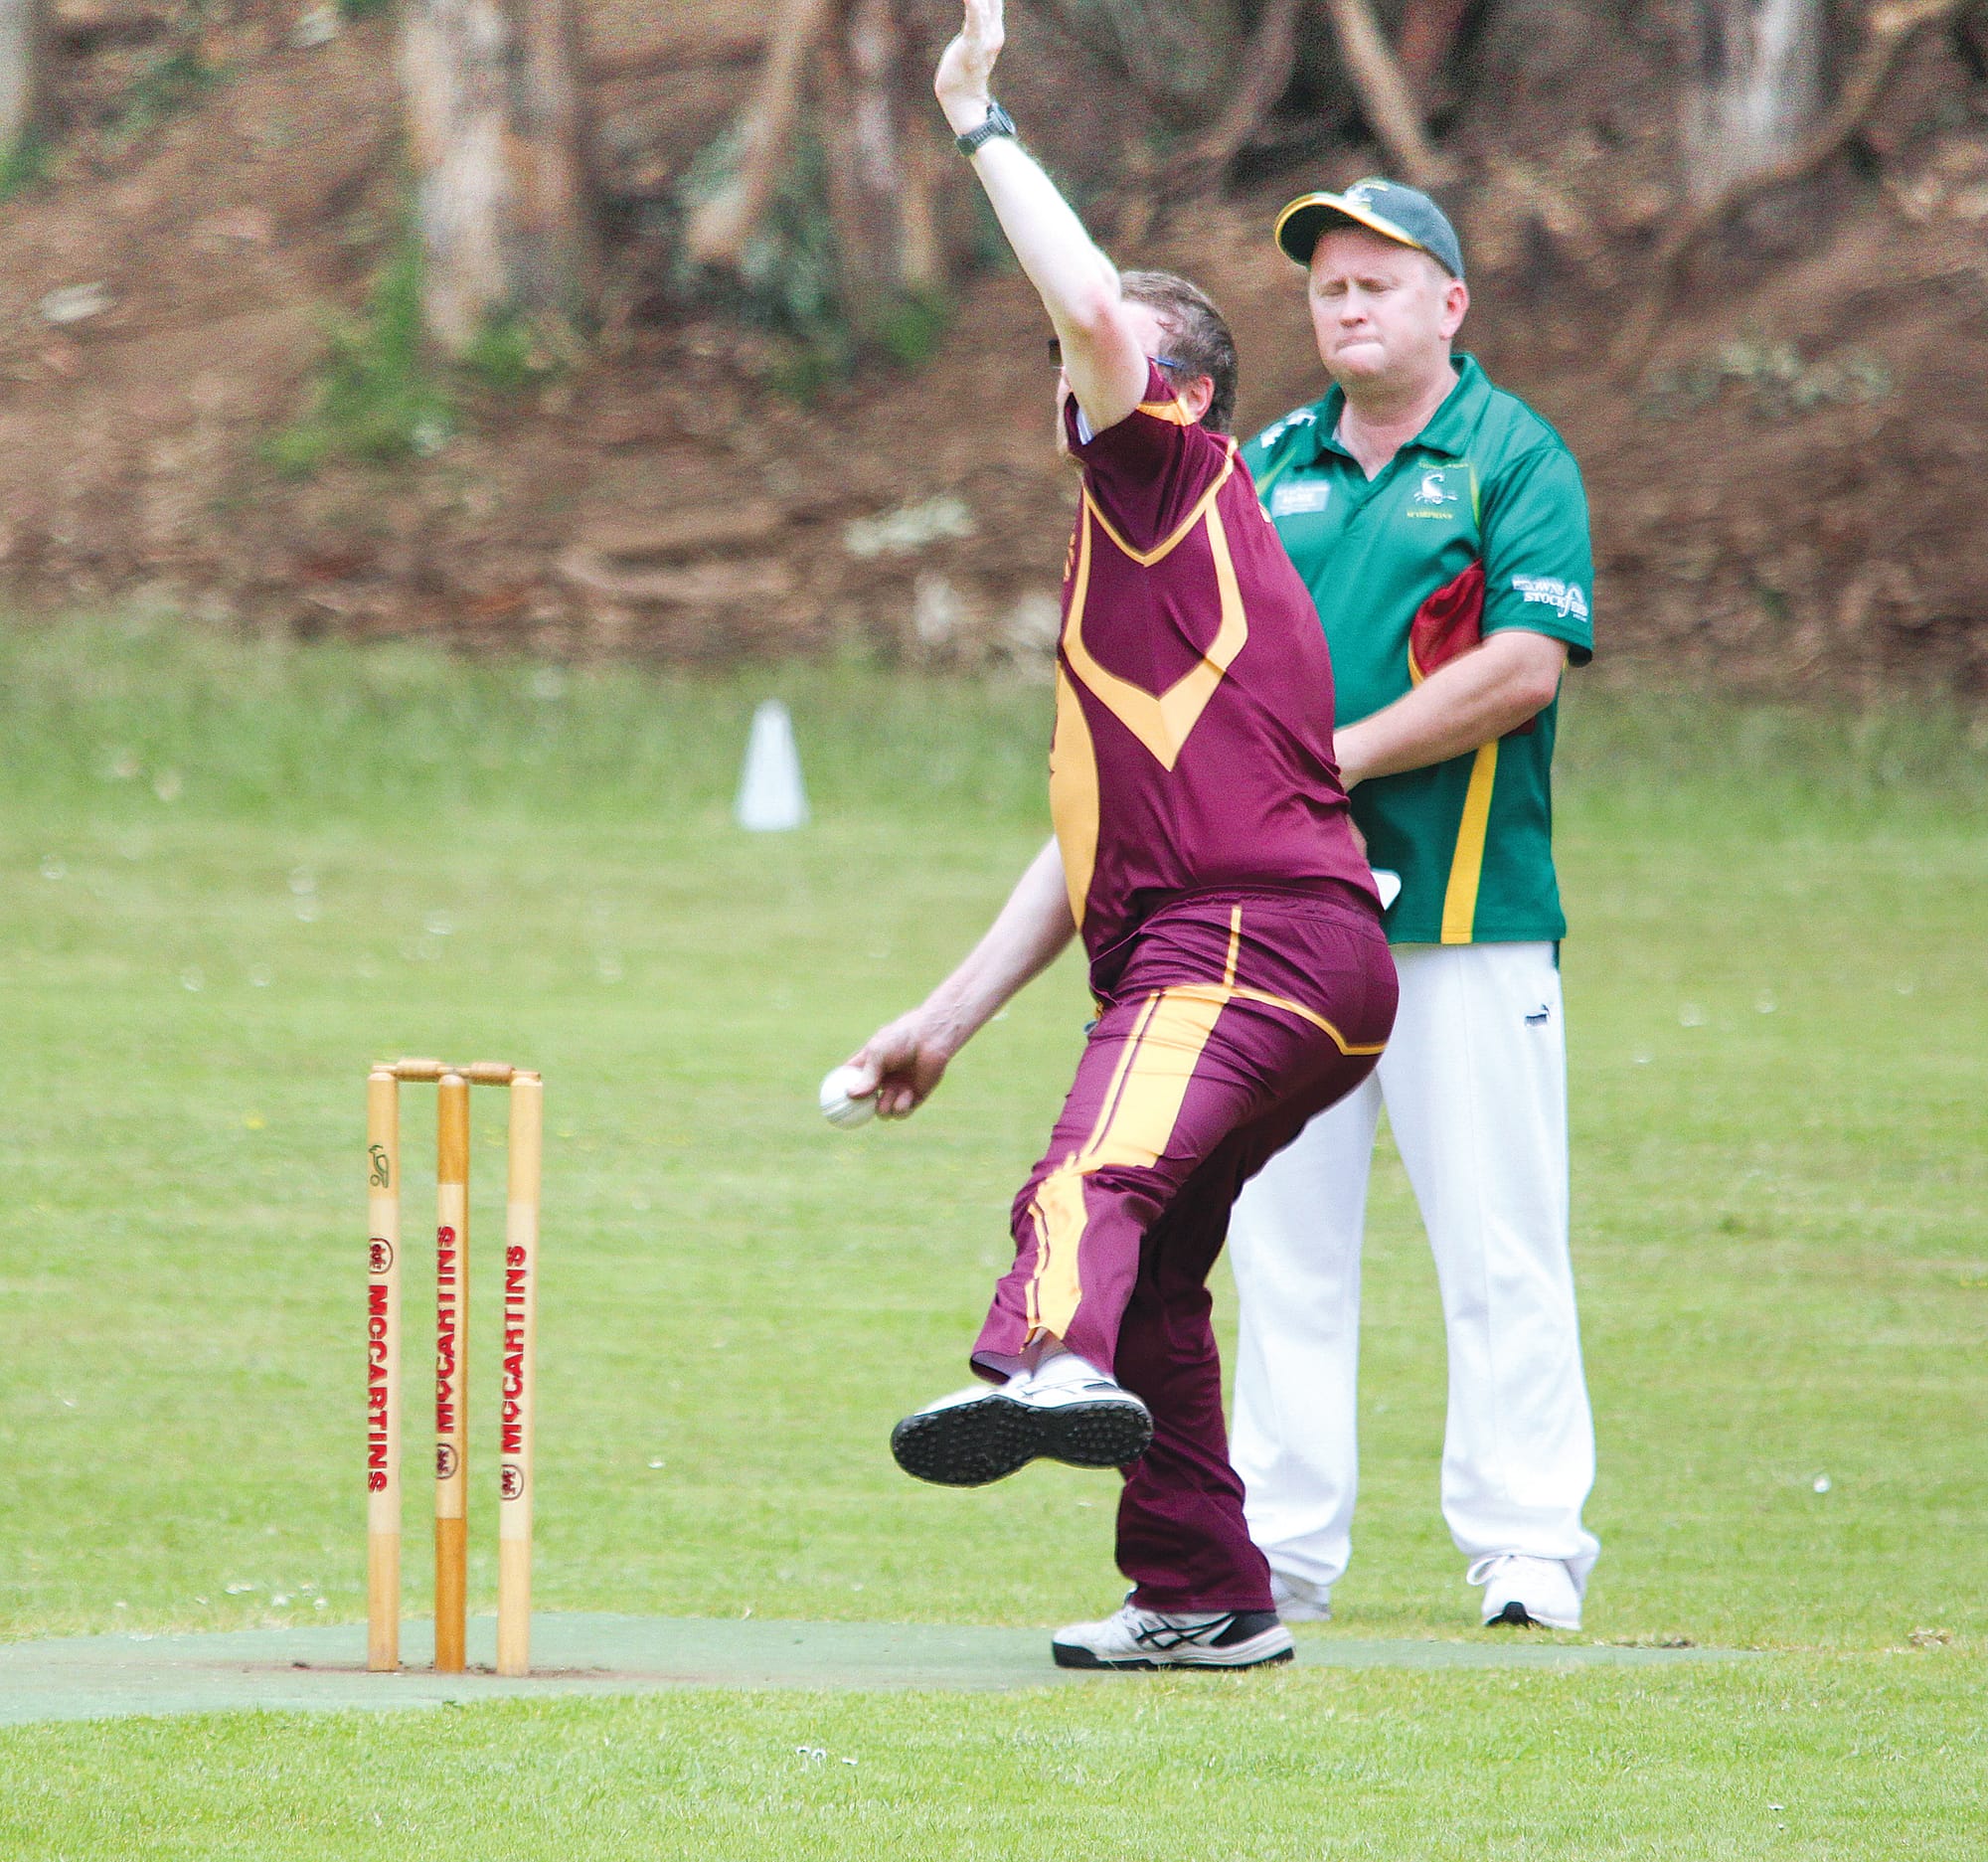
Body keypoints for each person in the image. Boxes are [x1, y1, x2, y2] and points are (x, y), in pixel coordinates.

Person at [837, 0, 1397, 1672]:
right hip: (1288, 959)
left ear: (1182, 387)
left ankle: (1038, 1364)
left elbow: (1087, 301)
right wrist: (942, 1018)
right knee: (1151, 1276)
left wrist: (977, 118)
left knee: (1090, 1174)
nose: (1063, 370)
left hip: (1247, 943)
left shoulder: (1164, 475)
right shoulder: (1140, 559)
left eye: (1095, 359)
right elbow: (1078, 848)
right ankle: (1202, 1590)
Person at [1225, 178, 1601, 1632]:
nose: (1348, 304)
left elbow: (1523, 667)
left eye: (1379, 280)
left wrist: (1342, 754)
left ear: (1451, 301)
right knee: (1284, 1239)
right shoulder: (1268, 463)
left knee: (1500, 1237)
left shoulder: (1515, 455)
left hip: (1468, 915)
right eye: (1327, 286)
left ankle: (1524, 1546)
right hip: (1290, 919)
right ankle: (1278, 1545)